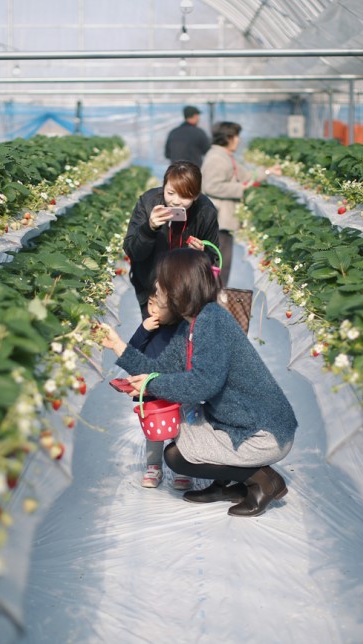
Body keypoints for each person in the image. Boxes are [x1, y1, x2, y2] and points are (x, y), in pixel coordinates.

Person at [101, 248, 297, 518]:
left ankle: (264, 480)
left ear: (178, 288)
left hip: (263, 433)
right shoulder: (190, 325)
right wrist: (118, 346)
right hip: (234, 421)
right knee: (181, 432)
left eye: (161, 283)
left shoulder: (212, 322)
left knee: (177, 456)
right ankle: (226, 484)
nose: (155, 288)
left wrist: (152, 384)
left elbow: (204, 384)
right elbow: (160, 369)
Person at [123, 161, 219, 318]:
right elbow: (133, 251)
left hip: (187, 290)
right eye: (170, 193)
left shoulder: (206, 211)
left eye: (184, 195)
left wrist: (200, 254)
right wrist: (149, 228)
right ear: (163, 187)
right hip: (152, 289)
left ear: (196, 195)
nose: (175, 201)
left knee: (184, 332)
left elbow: (213, 257)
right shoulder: (148, 202)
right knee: (154, 330)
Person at [126, 281, 190, 490]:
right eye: (150, 303)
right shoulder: (148, 327)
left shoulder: (182, 329)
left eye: (158, 305)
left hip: (174, 386)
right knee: (154, 430)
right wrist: (143, 330)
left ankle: (182, 468)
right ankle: (154, 467)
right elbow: (131, 351)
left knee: (180, 429)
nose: (152, 310)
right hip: (150, 387)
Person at [201, 121, 280, 285]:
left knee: (222, 263)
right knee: (219, 264)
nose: (238, 140)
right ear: (228, 137)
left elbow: (246, 175)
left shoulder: (225, 156)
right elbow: (211, 186)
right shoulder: (216, 158)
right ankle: (214, 297)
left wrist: (267, 172)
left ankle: (217, 295)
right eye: (236, 136)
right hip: (218, 220)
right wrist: (241, 189)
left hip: (225, 219)